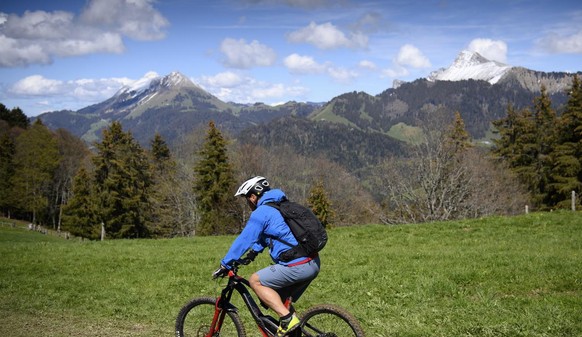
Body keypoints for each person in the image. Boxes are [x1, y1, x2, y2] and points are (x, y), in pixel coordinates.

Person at [213, 176, 321, 337]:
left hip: (297, 266)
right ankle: (293, 331)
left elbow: (244, 239)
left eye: (246, 199)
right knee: (281, 301)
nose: (248, 204)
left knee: (255, 281)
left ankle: (287, 320)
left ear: (253, 196)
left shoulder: (262, 212)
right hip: (313, 262)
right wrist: (253, 253)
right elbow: (271, 235)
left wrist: (225, 264)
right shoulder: (280, 205)